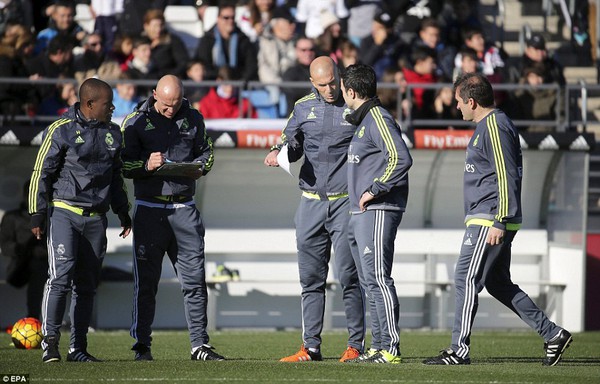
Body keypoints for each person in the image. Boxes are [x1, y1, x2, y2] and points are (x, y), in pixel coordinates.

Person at [422, 72, 572, 366]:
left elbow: (505, 175)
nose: (457, 108)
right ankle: (552, 334)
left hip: (490, 217)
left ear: (472, 101)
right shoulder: (490, 125)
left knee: (465, 277)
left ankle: (458, 351)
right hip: (490, 216)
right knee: (497, 283)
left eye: (459, 102)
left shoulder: (494, 126)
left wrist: (500, 219)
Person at [264, 56, 365, 363]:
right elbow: (289, 141)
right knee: (310, 280)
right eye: (322, 84)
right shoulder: (302, 107)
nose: (329, 89)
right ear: (312, 83)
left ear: (340, 76)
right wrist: (279, 151)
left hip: (345, 202)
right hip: (310, 203)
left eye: (333, 81)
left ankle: (356, 345)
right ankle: (310, 347)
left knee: (349, 276)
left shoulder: (357, 106)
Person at [28, 78, 132, 363]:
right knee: (60, 278)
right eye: (108, 104)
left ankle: (78, 348)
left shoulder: (114, 132)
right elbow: (41, 173)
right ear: (89, 105)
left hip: (96, 219)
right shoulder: (61, 130)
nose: (112, 108)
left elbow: (116, 176)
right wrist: (37, 212)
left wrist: (123, 210)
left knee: (86, 286)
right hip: (65, 213)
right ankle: (50, 343)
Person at [120, 75, 222, 362]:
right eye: (165, 104)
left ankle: (199, 345)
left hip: (185, 209)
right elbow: (124, 165)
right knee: (147, 283)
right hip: (149, 209)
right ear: (154, 95)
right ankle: (142, 345)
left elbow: (208, 153)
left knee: (194, 281)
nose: (170, 110)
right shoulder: (135, 122)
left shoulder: (193, 117)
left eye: (176, 104)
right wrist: (145, 164)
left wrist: (201, 167)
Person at [340, 63, 412, 364]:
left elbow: (400, 157)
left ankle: (390, 348)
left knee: (378, 278)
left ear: (352, 91)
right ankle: (379, 344)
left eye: (343, 90)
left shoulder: (377, 117)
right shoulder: (363, 121)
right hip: (362, 213)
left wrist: (375, 189)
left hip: (379, 209)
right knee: (369, 280)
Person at [0, 180, 48, 320]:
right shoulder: (12, 217)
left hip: (47, 266)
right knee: (37, 266)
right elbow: (5, 246)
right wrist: (24, 250)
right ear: (25, 195)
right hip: (18, 269)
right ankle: (33, 318)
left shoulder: (50, 218)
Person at [194, 4, 258, 81]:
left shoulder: (243, 39)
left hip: (238, 84)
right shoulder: (207, 39)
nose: (230, 21)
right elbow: (204, 64)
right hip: (212, 83)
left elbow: (251, 66)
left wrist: (238, 81)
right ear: (218, 19)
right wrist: (219, 77)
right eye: (226, 18)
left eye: (232, 18)